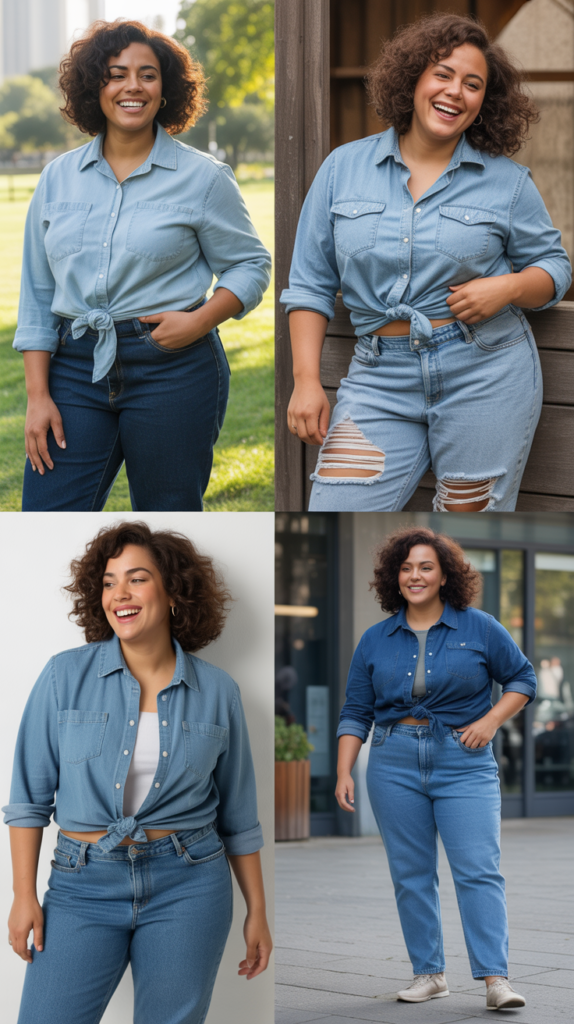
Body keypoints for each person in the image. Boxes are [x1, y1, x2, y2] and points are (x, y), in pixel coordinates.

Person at [280, 13, 571, 512]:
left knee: (467, 529)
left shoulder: (507, 182)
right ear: (413, 79)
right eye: (442, 73)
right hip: (377, 377)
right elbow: (309, 284)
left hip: (486, 371)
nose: (455, 91)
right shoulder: (342, 169)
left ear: (484, 102)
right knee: (335, 514)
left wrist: (507, 289)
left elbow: (555, 268)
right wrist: (306, 380)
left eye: (472, 84)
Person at [3, 521, 272, 1024]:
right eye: (108, 582)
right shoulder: (64, 675)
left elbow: (238, 817)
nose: (119, 594)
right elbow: (28, 797)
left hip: (189, 884)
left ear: (173, 591)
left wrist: (257, 909)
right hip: (81, 885)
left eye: (137, 578)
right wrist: (22, 895)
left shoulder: (219, 692)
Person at [16, 19, 271, 512]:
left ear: (167, 89)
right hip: (74, 368)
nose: (133, 85)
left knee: (168, 518)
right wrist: (37, 395)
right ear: (95, 87)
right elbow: (38, 293)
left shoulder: (204, 178)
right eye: (116, 74)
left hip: (174, 368)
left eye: (148, 74)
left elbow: (250, 265)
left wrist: (198, 321)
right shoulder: (57, 179)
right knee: (47, 514)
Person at [335, 526, 536, 1011]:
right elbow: (355, 711)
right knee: (411, 873)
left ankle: (495, 980)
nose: (415, 575)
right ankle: (429, 974)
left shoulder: (480, 626)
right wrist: (344, 770)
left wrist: (490, 721)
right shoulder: (375, 638)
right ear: (394, 577)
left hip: (463, 760)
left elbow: (522, 678)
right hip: (392, 760)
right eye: (406, 568)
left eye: (426, 566)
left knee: (478, 871)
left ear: (445, 574)